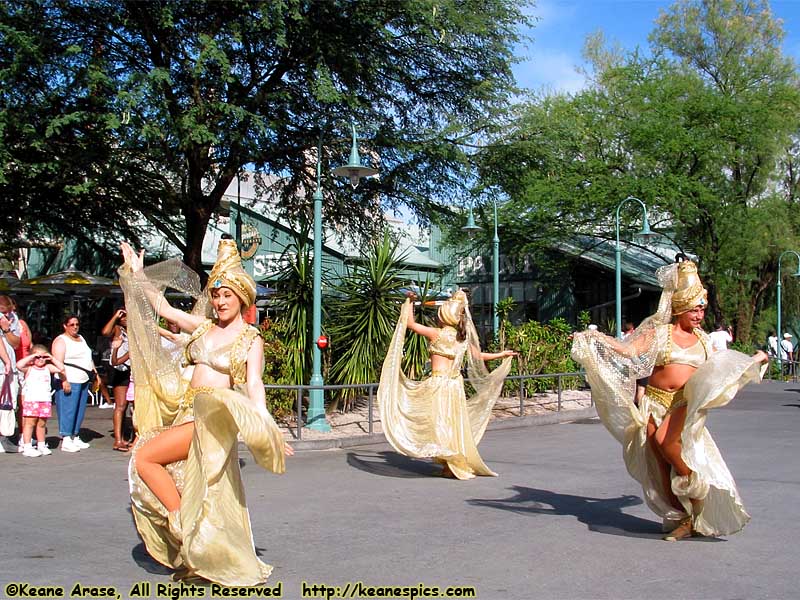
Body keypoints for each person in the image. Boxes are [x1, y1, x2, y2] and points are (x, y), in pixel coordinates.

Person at [119, 239, 292, 585]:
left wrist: (266, 425)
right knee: (199, 489)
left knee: (145, 459)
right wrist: (138, 276)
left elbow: (254, 385)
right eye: (216, 294)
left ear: (242, 296)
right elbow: (166, 310)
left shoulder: (250, 338)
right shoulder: (202, 328)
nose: (220, 301)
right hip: (187, 411)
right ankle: (206, 551)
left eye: (227, 295)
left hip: (212, 419)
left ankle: (181, 521)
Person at [571, 258, 768, 541]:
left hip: (683, 403)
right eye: (694, 310)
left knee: (667, 442)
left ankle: (697, 489)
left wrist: (753, 361)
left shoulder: (704, 341)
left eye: (702, 309)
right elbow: (628, 351)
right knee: (658, 464)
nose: (699, 315)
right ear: (680, 309)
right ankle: (684, 517)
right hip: (654, 402)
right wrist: (596, 339)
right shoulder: (659, 334)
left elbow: (721, 369)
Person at [377, 290, 517, 479]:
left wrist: (409, 301)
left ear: (443, 316)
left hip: (439, 384)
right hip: (455, 385)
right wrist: (502, 354)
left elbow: (409, 324)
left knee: (437, 421)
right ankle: (450, 462)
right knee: (452, 422)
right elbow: (479, 357)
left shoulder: (436, 334)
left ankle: (450, 461)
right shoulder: (461, 339)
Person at [51, 315, 98, 452]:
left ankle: (75, 435)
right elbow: (58, 362)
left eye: (77, 324)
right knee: (68, 409)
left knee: (80, 409)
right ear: (65, 326)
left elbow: (88, 357)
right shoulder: (60, 340)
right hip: (70, 378)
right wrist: (64, 379)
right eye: (71, 324)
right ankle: (66, 438)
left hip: (83, 378)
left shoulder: (81, 338)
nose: (75, 327)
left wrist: (95, 373)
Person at [16, 345, 65, 457]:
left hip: (45, 400)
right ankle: (27, 446)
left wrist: (51, 358)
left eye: (43, 357)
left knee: (42, 423)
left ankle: (41, 444)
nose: (40, 359)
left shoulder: (48, 368)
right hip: (32, 401)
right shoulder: (29, 368)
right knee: (29, 423)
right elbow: (19, 365)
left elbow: (61, 368)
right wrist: (32, 356)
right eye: (38, 357)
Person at [102, 308, 132, 451]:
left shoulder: (132, 330)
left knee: (126, 405)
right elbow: (105, 332)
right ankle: (118, 439)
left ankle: (124, 436)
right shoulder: (117, 329)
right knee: (120, 405)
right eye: (123, 316)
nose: (125, 318)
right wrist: (115, 316)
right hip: (119, 369)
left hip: (129, 369)